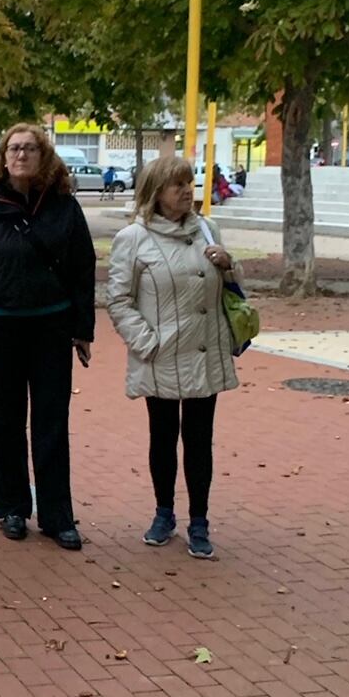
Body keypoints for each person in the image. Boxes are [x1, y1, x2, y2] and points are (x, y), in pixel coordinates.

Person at [0, 124, 95, 551]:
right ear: (2, 156)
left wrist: (82, 329)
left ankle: (56, 515)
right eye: (14, 148)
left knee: (52, 422)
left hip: (51, 328)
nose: (21, 155)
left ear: (43, 155)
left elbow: (82, 269)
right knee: (3, 421)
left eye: (30, 148)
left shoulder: (64, 207)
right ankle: (13, 507)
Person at [106, 156, 240, 560]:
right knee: (162, 437)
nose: (187, 190)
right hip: (161, 354)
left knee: (200, 440)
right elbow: (118, 299)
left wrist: (229, 266)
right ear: (155, 192)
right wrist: (147, 343)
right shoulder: (133, 238)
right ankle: (163, 513)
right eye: (177, 184)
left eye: (189, 182)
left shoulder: (207, 228)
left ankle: (199, 521)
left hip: (204, 350)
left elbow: (231, 290)